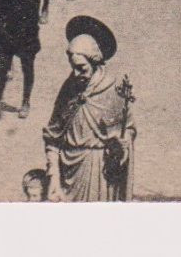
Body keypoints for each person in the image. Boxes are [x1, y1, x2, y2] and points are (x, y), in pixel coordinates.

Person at [43, 16, 134, 202]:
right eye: (73, 67)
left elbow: (128, 129)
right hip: (68, 171)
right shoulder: (69, 88)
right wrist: (53, 177)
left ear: (95, 62)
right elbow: (52, 137)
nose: (76, 74)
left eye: (81, 68)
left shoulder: (114, 90)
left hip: (99, 171)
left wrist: (123, 147)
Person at [0, 0, 42, 118]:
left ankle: (26, 101)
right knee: (1, 69)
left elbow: (31, 20)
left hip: (27, 39)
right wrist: (3, 33)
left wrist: (19, 39)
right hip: (8, 37)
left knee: (27, 70)